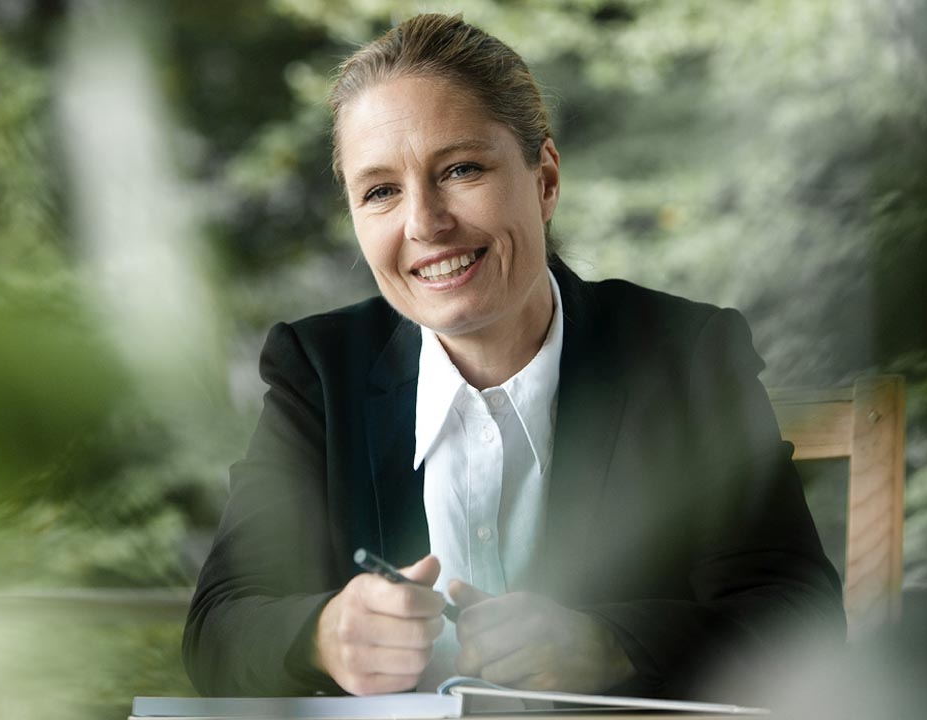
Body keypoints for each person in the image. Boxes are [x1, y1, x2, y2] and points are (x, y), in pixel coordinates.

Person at [183, 13, 845, 701]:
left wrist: (609, 647)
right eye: (381, 191)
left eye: (461, 169)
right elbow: (217, 629)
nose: (425, 224)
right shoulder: (318, 369)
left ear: (546, 179)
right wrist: (321, 635)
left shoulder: (686, 356)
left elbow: (799, 620)